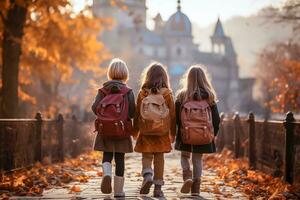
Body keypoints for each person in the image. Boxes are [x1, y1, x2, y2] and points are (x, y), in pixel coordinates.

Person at [91, 58, 135, 198]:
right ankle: (118, 191)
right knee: (120, 159)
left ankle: (107, 174)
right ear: (125, 73)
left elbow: (94, 108)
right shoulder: (128, 91)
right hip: (122, 130)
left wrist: (106, 117)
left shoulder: (103, 90)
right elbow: (132, 112)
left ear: (109, 72)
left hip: (105, 130)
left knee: (107, 155)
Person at [175, 65, 220, 196]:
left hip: (186, 133)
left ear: (187, 79)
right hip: (204, 133)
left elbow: (176, 118)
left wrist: (178, 131)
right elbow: (216, 120)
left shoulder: (182, 96)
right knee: (197, 159)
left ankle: (187, 177)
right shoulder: (209, 96)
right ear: (204, 79)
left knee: (184, 156)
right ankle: (196, 189)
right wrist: (212, 134)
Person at [134, 63, 176, 197]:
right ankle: (158, 188)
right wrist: (173, 133)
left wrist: (135, 131)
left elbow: (137, 113)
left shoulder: (142, 93)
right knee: (159, 158)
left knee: (146, 155)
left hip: (146, 131)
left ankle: (147, 174)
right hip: (162, 133)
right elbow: (173, 115)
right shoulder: (167, 94)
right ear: (165, 77)